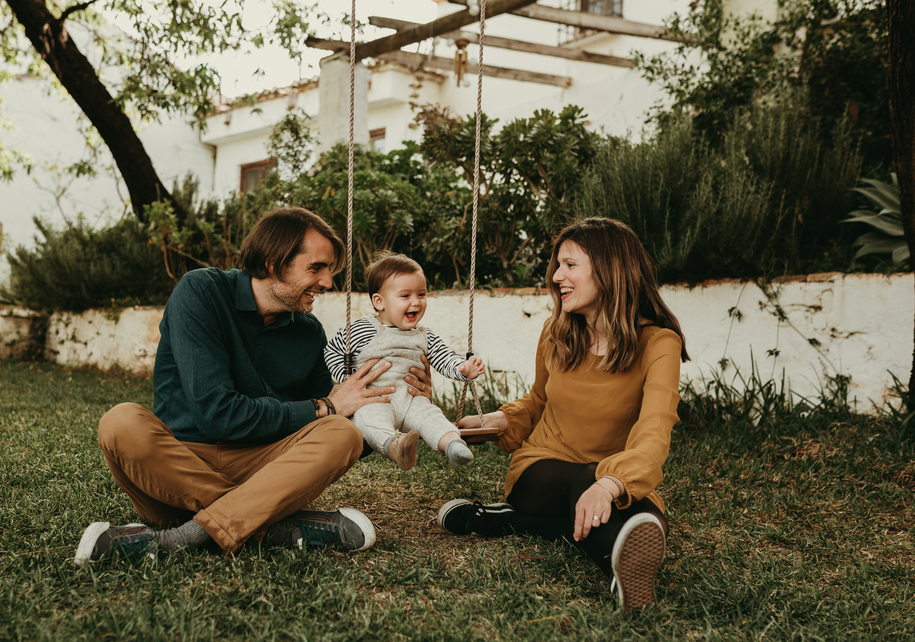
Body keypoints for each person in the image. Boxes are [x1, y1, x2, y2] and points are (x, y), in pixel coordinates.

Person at [74, 207, 436, 566]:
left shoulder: (308, 332)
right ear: (275, 263)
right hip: (179, 469)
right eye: (316, 268)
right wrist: (322, 406)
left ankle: (175, 540)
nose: (327, 282)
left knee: (340, 434)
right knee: (120, 422)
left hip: (263, 467)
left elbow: (342, 421)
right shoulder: (201, 292)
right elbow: (218, 413)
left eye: (328, 270)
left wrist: (402, 405)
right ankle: (272, 523)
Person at [435, 217, 689, 613]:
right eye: (558, 265)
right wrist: (499, 421)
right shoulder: (556, 332)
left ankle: (505, 522)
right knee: (619, 510)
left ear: (611, 268)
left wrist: (609, 485)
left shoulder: (659, 344)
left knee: (640, 513)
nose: (556, 276)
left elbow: (654, 432)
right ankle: (616, 566)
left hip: (612, 474)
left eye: (570, 265)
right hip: (542, 472)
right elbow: (537, 400)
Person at [322, 251, 484, 471]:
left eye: (421, 294)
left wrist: (463, 368)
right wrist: (348, 380)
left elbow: (445, 357)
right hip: (373, 399)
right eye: (405, 296)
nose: (416, 302)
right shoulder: (361, 329)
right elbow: (332, 350)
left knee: (431, 417)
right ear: (379, 302)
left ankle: (453, 445)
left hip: (412, 399)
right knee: (370, 421)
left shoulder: (424, 335)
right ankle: (395, 447)